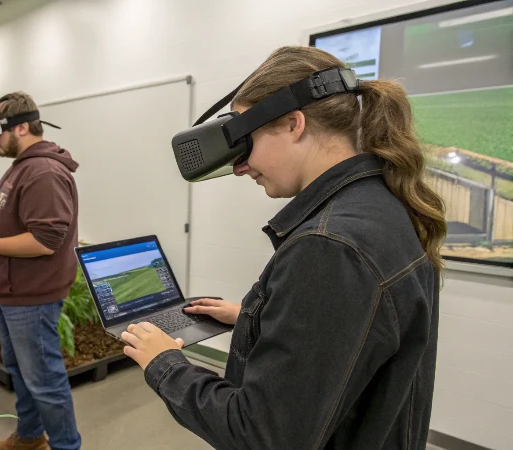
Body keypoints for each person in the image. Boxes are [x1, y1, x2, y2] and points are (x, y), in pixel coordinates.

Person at [121, 46, 447, 450]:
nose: (238, 167)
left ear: (294, 123)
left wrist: (163, 363)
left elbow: (261, 434)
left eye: (245, 141)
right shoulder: (384, 207)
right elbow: (355, 340)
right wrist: (257, 319)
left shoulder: (330, 248)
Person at [0, 92, 81, 450]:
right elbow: (17, 224)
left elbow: (45, 240)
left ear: (21, 127)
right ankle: (29, 436)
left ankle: (65, 446)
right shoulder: (23, 166)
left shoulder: (43, 171)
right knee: (23, 374)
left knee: (44, 379)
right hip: (11, 291)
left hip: (32, 295)